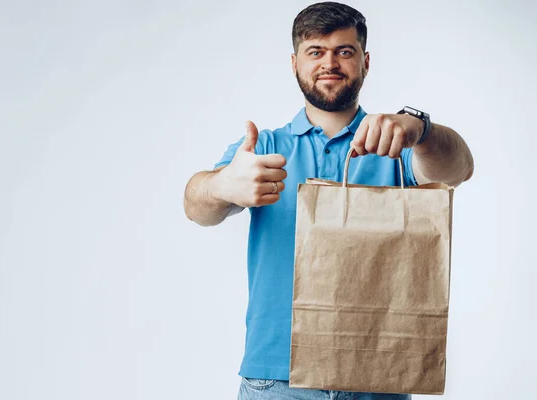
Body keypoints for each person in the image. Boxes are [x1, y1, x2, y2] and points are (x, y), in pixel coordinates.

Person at [183, 2, 474, 399]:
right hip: (277, 379)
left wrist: (419, 128)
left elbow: (459, 168)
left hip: (379, 374)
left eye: (345, 51)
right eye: (315, 52)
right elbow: (196, 206)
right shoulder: (265, 147)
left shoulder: (398, 146)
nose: (330, 63)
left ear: (365, 61)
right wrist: (222, 186)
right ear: (294, 63)